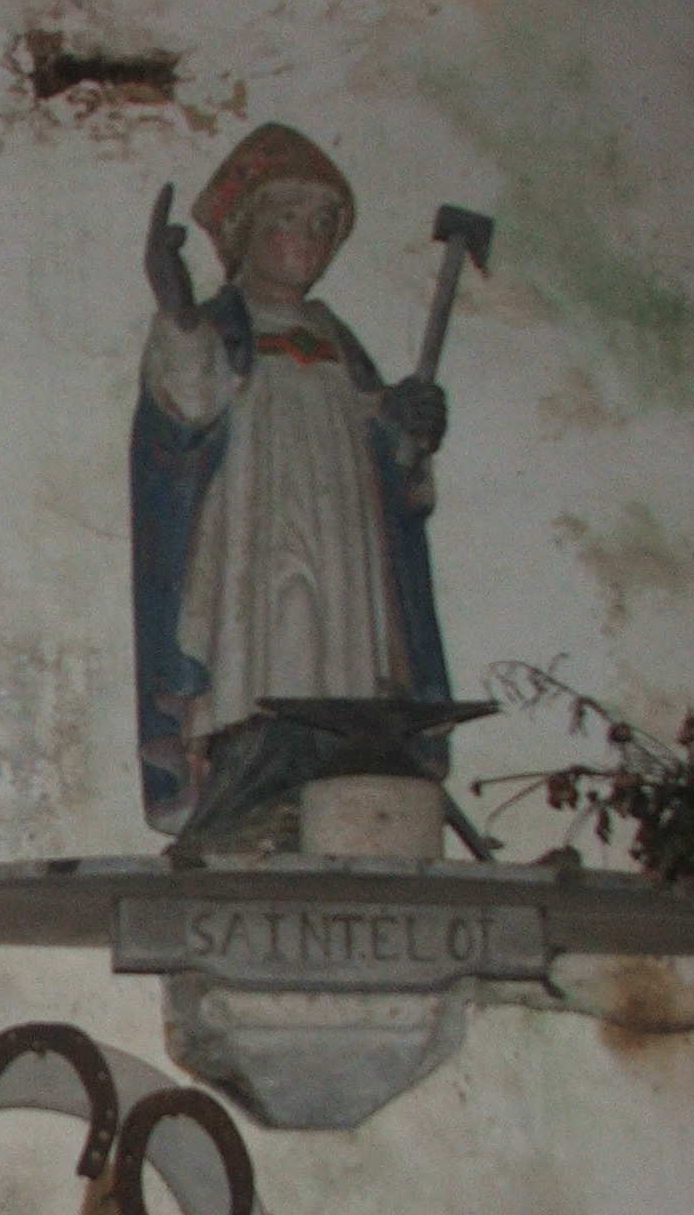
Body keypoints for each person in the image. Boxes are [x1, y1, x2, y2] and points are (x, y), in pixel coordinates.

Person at [129, 123, 452, 839]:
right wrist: (177, 310)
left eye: (322, 224)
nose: (306, 237)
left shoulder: (340, 343)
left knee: (342, 652)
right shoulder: (221, 331)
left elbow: (394, 470)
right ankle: (253, 798)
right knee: (271, 644)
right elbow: (184, 409)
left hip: (342, 546)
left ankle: (343, 793)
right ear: (243, 232)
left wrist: (408, 430)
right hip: (252, 539)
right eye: (285, 218)